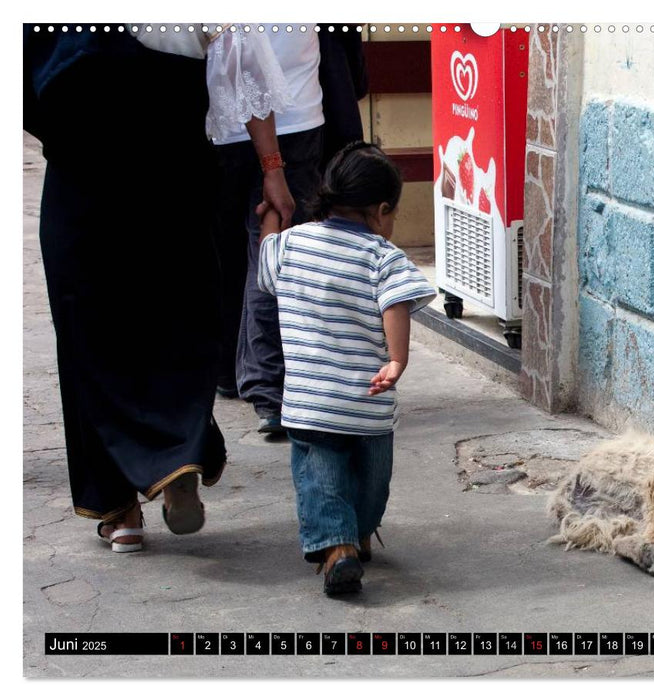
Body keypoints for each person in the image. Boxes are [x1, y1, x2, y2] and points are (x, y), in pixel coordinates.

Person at [23, 25, 294, 552]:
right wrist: (273, 172)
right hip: (176, 174)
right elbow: (251, 74)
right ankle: (177, 457)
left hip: (82, 179)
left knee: (88, 333)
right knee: (180, 319)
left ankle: (118, 509)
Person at [255, 142, 435, 595]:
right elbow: (395, 303)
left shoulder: (291, 245)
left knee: (322, 474)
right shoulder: (382, 257)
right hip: (367, 404)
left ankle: (338, 545)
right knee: (373, 480)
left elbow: (267, 251)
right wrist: (397, 360)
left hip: (310, 403)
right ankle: (351, 539)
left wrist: (273, 215)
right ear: (380, 210)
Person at [213, 28, 368, 437]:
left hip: (230, 124)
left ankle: (241, 373)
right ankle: (267, 387)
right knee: (273, 253)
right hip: (287, 124)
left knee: (242, 252)